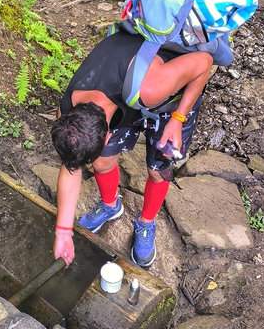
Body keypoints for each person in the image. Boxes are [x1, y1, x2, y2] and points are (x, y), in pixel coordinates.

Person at [50, 28, 213, 268]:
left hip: (167, 95)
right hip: (126, 96)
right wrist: (63, 231)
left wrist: (178, 119)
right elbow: (71, 166)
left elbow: (205, 63)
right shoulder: (70, 108)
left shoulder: (150, 88)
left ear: (108, 136)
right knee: (102, 162)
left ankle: (146, 222)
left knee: (159, 169)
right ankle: (110, 206)